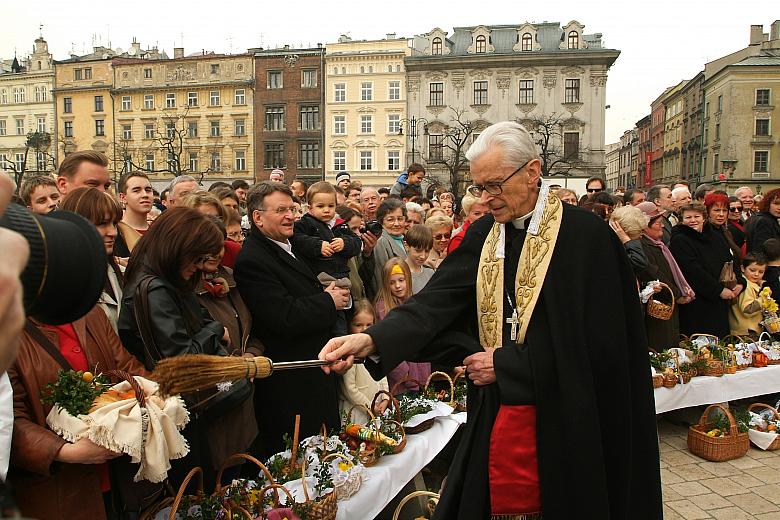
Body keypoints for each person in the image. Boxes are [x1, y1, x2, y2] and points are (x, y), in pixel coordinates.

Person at [318, 121, 661, 519]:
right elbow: (436, 302)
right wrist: (373, 340)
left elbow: (607, 345)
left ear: (533, 172)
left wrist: (510, 364)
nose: (486, 198)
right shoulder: (485, 233)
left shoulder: (588, 238)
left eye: (495, 185)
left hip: (568, 418)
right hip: (497, 411)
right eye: (480, 187)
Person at [119, 207, 254, 486]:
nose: (200, 266)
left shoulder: (160, 277)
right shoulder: (156, 288)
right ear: (177, 248)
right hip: (181, 410)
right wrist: (216, 330)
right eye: (197, 258)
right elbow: (181, 358)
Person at [234, 182, 350, 457]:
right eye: (281, 210)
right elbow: (282, 316)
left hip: (313, 371)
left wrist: (324, 294)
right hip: (291, 384)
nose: (291, 216)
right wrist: (327, 301)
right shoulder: (253, 258)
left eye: (293, 209)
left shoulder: (288, 245)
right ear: (258, 217)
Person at [8, 306, 149, 520]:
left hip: (119, 476)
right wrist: (65, 452)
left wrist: (160, 390)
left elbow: (125, 366)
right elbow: (10, 420)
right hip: (62, 492)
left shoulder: (90, 313)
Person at [611, 203, 694, 350]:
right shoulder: (625, 247)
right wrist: (628, 240)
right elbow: (641, 263)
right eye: (637, 233)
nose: (640, 236)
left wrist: (647, 289)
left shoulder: (635, 245)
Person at [290, 181, 362, 334]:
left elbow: (356, 243)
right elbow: (296, 239)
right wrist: (317, 246)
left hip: (342, 278)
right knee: (326, 319)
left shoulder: (340, 224)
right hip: (318, 278)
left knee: (342, 318)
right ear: (310, 207)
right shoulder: (305, 223)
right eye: (320, 206)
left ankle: (340, 346)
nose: (326, 210)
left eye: (330, 206)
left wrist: (345, 243)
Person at [670, 203, 740, 337]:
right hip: (698, 301)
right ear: (682, 220)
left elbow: (730, 259)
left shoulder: (715, 236)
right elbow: (693, 271)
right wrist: (718, 290)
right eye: (688, 217)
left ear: (704, 218)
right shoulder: (680, 240)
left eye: (696, 216)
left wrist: (738, 282)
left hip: (720, 300)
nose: (693, 220)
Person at [59, 188, 125, 332]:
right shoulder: (60, 286)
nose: (113, 232)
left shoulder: (122, 273)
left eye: (114, 223)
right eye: (102, 223)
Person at [375, 258, 431, 394]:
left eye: (401, 280)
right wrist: (405, 376)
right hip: (401, 384)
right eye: (392, 282)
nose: (398, 286)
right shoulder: (383, 309)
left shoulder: (415, 303)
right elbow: (389, 348)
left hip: (422, 379)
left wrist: (426, 371)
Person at [338, 299, 389, 424]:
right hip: (356, 411)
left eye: (369, 325)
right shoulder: (349, 355)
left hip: (376, 408)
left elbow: (382, 375)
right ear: (349, 325)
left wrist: (385, 398)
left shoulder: (375, 349)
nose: (364, 329)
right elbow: (349, 389)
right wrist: (369, 406)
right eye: (358, 325)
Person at [371, 198, 408, 295]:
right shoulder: (381, 242)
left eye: (400, 219)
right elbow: (381, 278)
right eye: (390, 220)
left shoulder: (404, 239)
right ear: (382, 222)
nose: (396, 224)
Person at [115, 171, 153, 257]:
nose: (145, 195)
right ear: (123, 197)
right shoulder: (115, 233)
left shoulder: (160, 231)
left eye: (148, 190)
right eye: (136, 190)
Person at [729, 253, 767, 337]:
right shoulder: (747, 286)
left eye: (761, 272)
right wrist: (763, 299)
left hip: (745, 330)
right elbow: (747, 310)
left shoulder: (753, 284)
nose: (756, 274)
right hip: (747, 331)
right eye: (752, 270)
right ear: (743, 268)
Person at [705, 192, 742, 263]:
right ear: (707, 211)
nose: (721, 214)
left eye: (724, 210)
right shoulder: (705, 232)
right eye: (717, 210)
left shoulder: (725, 231)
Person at [745, 188, 780, 253]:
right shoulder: (764, 221)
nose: (779, 208)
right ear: (768, 203)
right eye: (776, 203)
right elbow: (761, 250)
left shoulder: (756, 217)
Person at [404, 224, 435, 294]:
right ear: (406, 246)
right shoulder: (399, 271)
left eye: (427, 251)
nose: (423, 256)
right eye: (418, 250)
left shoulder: (430, 272)